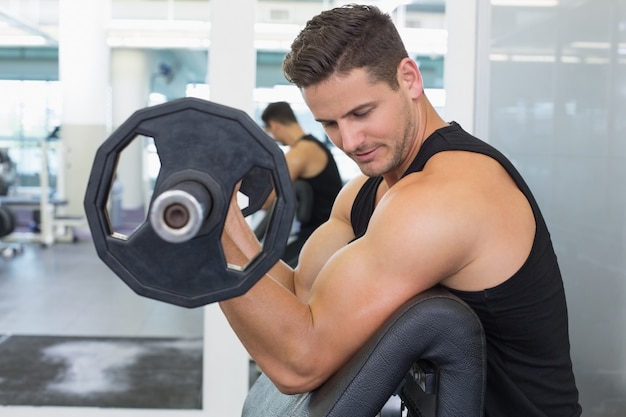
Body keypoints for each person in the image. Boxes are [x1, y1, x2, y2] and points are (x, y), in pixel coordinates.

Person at [220, 4, 581, 416]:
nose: (350, 140)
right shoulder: (363, 193)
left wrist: (211, 248)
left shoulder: (447, 195)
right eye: (330, 124)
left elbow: (299, 364)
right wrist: (222, 218)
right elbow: (301, 294)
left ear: (408, 78)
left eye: (362, 113)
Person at [259, 101, 343, 267]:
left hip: (321, 237)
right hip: (315, 233)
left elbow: (265, 200)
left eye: (269, 131)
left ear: (274, 126)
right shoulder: (310, 146)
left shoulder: (301, 152)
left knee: (267, 271)